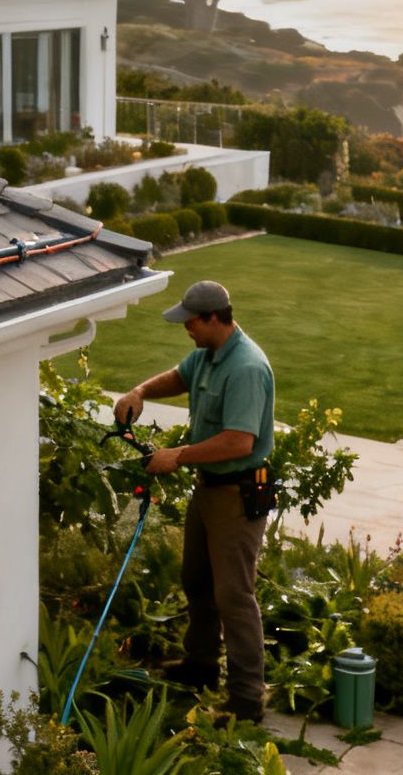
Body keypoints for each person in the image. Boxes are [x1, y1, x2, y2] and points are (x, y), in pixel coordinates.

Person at [113, 280, 277, 723]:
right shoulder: (209, 355)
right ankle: (201, 666)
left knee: (234, 594)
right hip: (209, 487)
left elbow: (240, 442)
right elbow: (180, 376)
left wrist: (178, 456)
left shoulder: (245, 367)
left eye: (189, 321)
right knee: (197, 579)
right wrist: (140, 392)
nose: (185, 328)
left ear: (211, 319)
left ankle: (246, 699)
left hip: (239, 492)